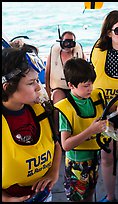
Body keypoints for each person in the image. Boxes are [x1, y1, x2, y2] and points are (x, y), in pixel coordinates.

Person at [54, 58, 118, 202]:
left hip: (94, 160)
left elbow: (110, 109)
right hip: (77, 164)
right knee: (77, 198)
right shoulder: (66, 109)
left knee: (90, 193)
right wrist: (91, 130)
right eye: (86, 86)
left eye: (91, 84)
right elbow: (66, 145)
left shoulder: (94, 97)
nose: (90, 89)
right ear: (71, 85)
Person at [2, 47, 62, 202]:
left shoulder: (41, 110)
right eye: (31, 83)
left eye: (37, 80)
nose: (38, 87)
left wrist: (53, 173)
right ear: (8, 87)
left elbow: (56, 144)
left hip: (43, 194)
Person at [90, 10, 118, 201]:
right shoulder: (99, 50)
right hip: (106, 113)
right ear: (109, 32)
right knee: (107, 159)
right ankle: (110, 197)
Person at [45, 30, 86, 104]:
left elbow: (86, 73)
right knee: (58, 102)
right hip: (59, 88)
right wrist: (48, 93)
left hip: (75, 87)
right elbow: (47, 74)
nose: (68, 45)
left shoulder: (80, 54)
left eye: (71, 43)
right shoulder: (53, 55)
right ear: (61, 42)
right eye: (66, 42)